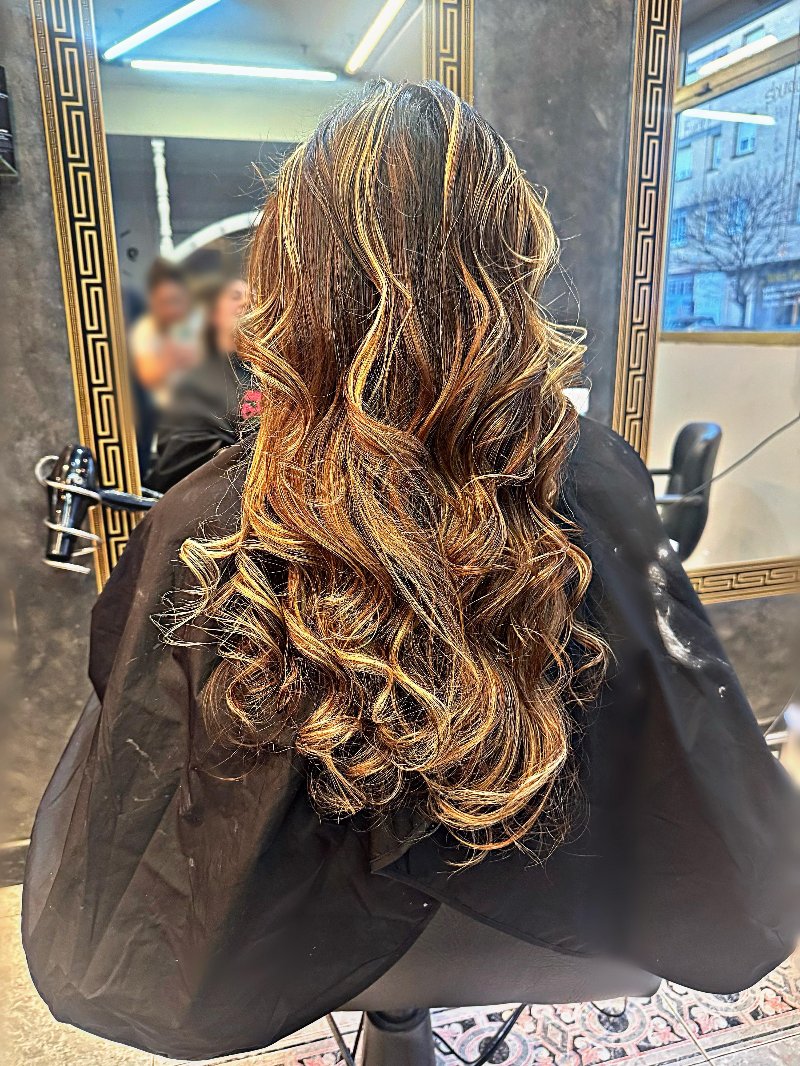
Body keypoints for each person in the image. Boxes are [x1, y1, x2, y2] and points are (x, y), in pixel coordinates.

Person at [23, 82, 799, 1060]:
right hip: (555, 917)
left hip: (292, 936)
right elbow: (685, 729)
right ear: (510, 256)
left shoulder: (211, 509)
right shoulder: (595, 472)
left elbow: (142, 764)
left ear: (294, 270)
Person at [146, 278, 253, 493]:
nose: (245, 303)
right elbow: (179, 459)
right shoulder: (191, 375)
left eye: (252, 299)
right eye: (235, 296)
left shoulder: (264, 373)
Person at [128, 258, 203, 404]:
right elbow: (147, 375)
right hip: (168, 410)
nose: (171, 310)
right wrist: (169, 359)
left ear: (186, 297)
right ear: (153, 302)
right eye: (164, 303)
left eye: (176, 300)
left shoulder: (200, 319)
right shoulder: (145, 329)